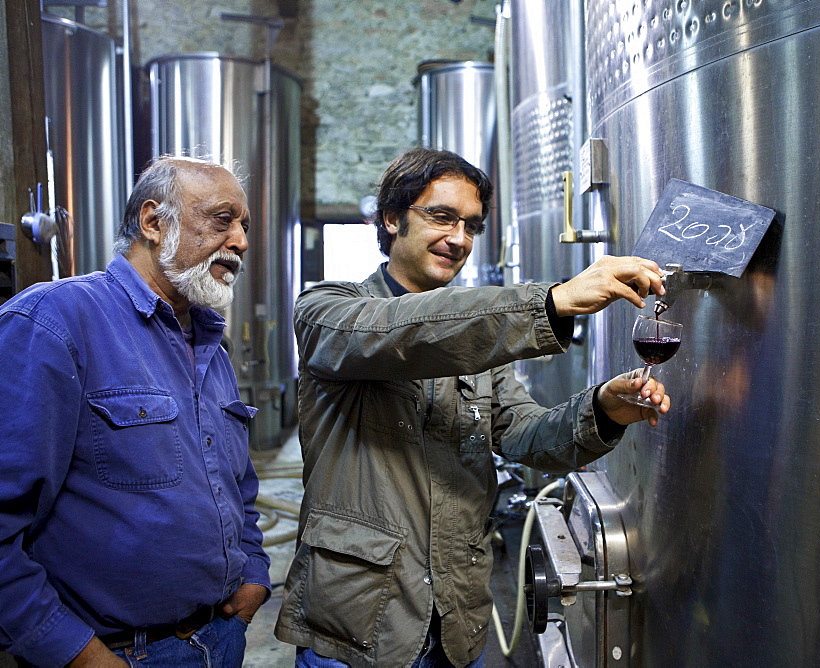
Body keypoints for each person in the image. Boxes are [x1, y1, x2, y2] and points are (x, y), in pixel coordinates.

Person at [274, 147, 670, 667]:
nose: (459, 239)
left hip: (457, 620)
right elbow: (404, 333)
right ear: (391, 219)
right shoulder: (327, 311)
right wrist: (549, 303)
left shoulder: (479, 343)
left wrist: (601, 410)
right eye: (441, 217)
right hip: (358, 630)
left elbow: (525, 434)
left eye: (472, 226)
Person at [0, 157, 270, 666]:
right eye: (222, 219)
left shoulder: (210, 341)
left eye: (245, 226)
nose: (240, 242)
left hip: (221, 638)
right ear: (153, 222)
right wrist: (73, 651)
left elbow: (236, 485)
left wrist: (254, 571)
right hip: (120, 654)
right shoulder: (55, 322)